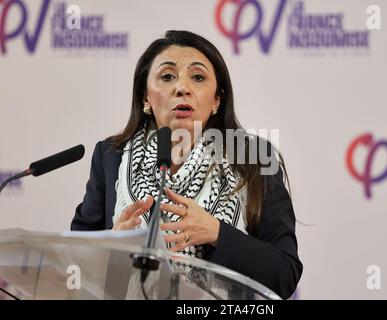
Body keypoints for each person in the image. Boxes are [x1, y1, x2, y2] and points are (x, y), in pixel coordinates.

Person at [71, 30, 302, 299]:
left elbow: (284, 274)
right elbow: (74, 266)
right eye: (167, 76)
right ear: (146, 97)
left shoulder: (253, 158)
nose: (182, 87)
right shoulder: (111, 156)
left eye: (198, 77)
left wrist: (216, 232)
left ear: (216, 100)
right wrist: (112, 245)